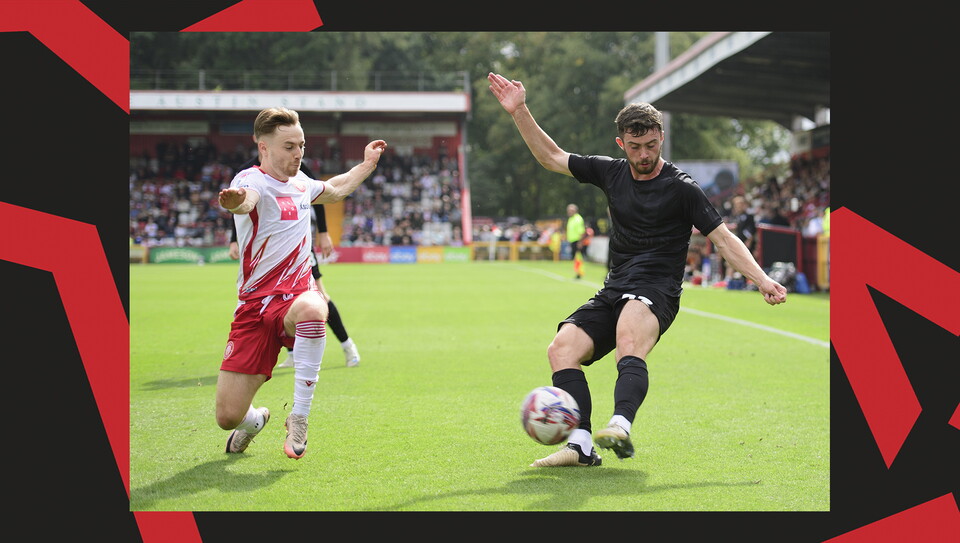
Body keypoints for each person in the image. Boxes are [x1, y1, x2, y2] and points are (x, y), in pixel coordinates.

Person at [488, 72, 787, 468]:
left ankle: (620, 425)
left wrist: (762, 279)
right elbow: (552, 157)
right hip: (615, 286)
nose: (644, 154)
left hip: (658, 289)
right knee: (561, 348)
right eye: (635, 147)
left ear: (660, 137)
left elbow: (723, 238)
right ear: (621, 144)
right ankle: (580, 446)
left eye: (650, 145)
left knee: (629, 334)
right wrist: (520, 110)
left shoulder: (683, 188)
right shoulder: (610, 172)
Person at [217, 106, 386, 459]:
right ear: (263, 147)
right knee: (227, 416)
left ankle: (300, 416)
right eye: (289, 147)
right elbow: (248, 199)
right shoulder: (249, 181)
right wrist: (237, 203)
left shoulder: (302, 184)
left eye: (302, 145)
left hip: (294, 298)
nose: (298, 154)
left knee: (314, 306)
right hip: (253, 307)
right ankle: (256, 422)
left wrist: (367, 164)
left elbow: (337, 189)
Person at [229, 160, 361, 369]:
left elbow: (319, 194)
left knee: (319, 295)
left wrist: (324, 232)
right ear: (260, 142)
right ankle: (292, 353)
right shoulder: (248, 172)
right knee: (281, 298)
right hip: (268, 251)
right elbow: (242, 206)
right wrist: (234, 238)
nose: (296, 152)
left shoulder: (296, 167)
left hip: (298, 245)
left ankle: (347, 345)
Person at [566, 203, 587, 279]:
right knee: (576, 258)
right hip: (573, 240)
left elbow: (581, 232)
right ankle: (578, 272)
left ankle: (580, 273)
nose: (569, 212)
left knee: (578, 257)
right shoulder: (571, 219)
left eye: (571, 210)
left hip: (577, 241)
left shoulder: (578, 219)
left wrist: (580, 242)